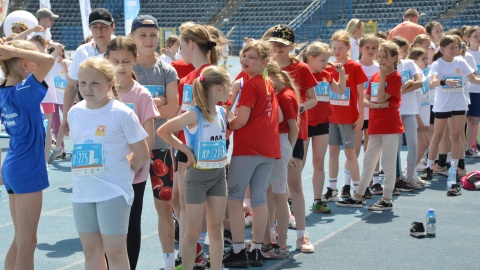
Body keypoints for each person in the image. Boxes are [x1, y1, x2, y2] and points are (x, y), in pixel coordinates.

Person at [68, 57, 149, 270]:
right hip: (83, 193)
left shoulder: (122, 113)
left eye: (95, 83)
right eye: (83, 82)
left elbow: (141, 153)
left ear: (110, 84)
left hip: (113, 192)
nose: (87, 88)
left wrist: (126, 172)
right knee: (91, 251)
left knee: (115, 251)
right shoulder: (75, 112)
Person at [158, 66, 230, 270]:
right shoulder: (194, 114)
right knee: (192, 231)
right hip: (197, 178)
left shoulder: (222, 112)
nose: (230, 91)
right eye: (227, 86)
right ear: (217, 88)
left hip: (218, 176)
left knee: (216, 229)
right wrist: (186, 151)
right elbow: (164, 131)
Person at [222, 40, 280, 268]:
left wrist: (226, 122)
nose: (245, 60)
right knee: (258, 199)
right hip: (268, 150)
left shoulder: (253, 84)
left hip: (248, 150)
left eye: (252, 57)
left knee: (234, 199)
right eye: (244, 55)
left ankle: (238, 250)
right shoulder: (267, 83)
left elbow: (241, 120)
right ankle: (256, 248)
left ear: (265, 62)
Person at [105, 36, 160, 270]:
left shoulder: (142, 95)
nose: (120, 66)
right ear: (106, 60)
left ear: (135, 61)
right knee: (107, 228)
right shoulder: (101, 91)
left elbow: (149, 137)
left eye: (126, 61)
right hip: (105, 172)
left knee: (130, 224)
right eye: (115, 61)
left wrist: (132, 163)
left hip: (133, 173)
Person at [175, 23, 227, 268]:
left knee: (190, 212)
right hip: (189, 150)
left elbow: (218, 116)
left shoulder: (207, 76)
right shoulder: (189, 77)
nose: (179, 51)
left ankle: (195, 254)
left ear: (190, 45)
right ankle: (194, 253)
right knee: (181, 205)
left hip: (198, 157)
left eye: (181, 45)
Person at [130, 14, 180, 270]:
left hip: (160, 149)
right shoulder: (126, 67)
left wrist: (144, 105)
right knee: (129, 211)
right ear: (132, 37)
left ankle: (168, 263)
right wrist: (157, 102)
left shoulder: (167, 69)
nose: (148, 40)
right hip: (131, 149)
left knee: (165, 209)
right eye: (143, 35)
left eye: (153, 35)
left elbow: (174, 109)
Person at [0, 40, 55, 270]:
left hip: (14, 165)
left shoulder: (5, 90)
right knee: (28, 241)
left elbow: (44, 61)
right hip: (26, 168)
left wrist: (10, 54)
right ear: (24, 63)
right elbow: (50, 60)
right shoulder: (24, 92)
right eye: (34, 61)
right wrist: (12, 50)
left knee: (20, 237)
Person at [336, 41, 404, 210]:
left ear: (394, 58)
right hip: (375, 124)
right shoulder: (374, 77)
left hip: (390, 125)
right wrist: (373, 106)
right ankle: (358, 195)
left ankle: (387, 198)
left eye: (384, 57)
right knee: (369, 160)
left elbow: (381, 97)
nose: (380, 60)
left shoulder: (395, 77)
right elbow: (366, 100)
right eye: (379, 57)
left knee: (387, 163)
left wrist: (381, 77)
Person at [268, 24, 317, 253]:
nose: (277, 48)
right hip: (267, 136)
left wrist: (295, 109)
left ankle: (301, 235)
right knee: (269, 188)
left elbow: (313, 99)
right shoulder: (264, 67)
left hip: (295, 133)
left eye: (282, 45)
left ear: (292, 47)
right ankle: (270, 236)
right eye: (274, 43)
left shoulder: (302, 68)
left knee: (294, 184)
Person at [422, 35, 480, 196]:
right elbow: (431, 82)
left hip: (459, 103)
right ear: (442, 49)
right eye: (451, 48)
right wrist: (443, 82)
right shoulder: (437, 64)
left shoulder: (461, 62)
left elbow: (473, 79)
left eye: (456, 47)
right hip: (442, 104)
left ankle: (455, 168)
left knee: (456, 135)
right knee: (438, 135)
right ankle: (429, 167)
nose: (454, 51)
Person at [299, 41, 346, 213]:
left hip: (322, 123)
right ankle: (290, 201)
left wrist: (342, 73)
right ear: (311, 58)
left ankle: (317, 201)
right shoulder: (301, 73)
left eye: (327, 60)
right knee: (299, 165)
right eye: (323, 60)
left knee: (319, 163)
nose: (326, 64)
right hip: (303, 123)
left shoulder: (326, 74)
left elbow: (341, 90)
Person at [323, 30, 367, 202]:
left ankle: (358, 191)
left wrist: (361, 117)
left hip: (349, 118)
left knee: (350, 154)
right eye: (334, 48)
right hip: (331, 118)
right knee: (333, 152)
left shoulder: (355, 67)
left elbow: (361, 96)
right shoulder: (329, 67)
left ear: (348, 47)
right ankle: (332, 188)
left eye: (340, 48)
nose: (336, 52)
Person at [61, 8, 115, 138]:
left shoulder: (122, 48)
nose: (99, 30)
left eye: (103, 26)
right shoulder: (82, 51)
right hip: (89, 110)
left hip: (115, 111)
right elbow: (72, 86)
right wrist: (65, 118)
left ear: (113, 27)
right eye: (95, 26)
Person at [356, 35, 381, 194]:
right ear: (360, 48)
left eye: (373, 48)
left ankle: (375, 180)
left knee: (372, 149)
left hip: (373, 114)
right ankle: (355, 182)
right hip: (357, 114)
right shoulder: (354, 66)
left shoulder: (379, 68)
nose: (370, 51)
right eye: (367, 48)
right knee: (354, 150)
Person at [49, 47, 71, 163]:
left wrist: (66, 68)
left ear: (61, 51)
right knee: (55, 124)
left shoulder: (68, 63)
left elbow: (72, 80)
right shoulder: (49, 62)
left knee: (70, 122)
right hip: (53, 98)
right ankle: (60, 149)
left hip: (65, 98)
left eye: (56, 51)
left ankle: (79, 145)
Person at [465, 26, 480, 157]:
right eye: (476, 36)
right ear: (468, 38)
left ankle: (469, 147)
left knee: (473, 121)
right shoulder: (464, 53)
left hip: (478, 91)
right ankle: (458, 148)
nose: (479, 38)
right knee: (462, 121)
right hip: (465, 91)